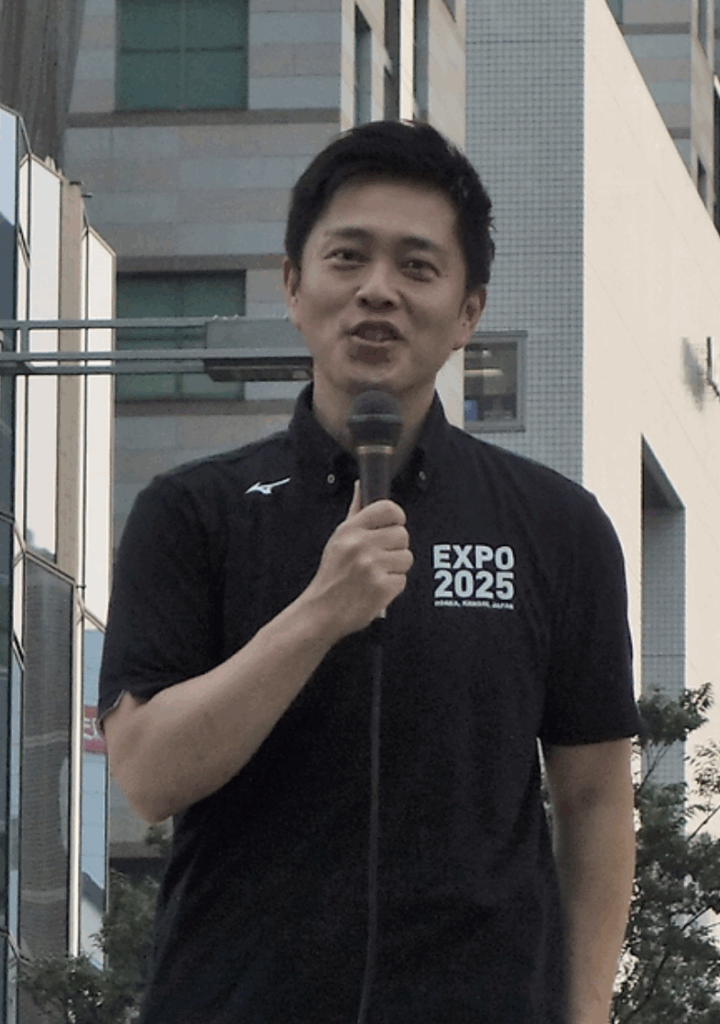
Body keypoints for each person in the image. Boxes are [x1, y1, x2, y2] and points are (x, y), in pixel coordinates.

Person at [99, 120, 640, 1024]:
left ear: (468, 313)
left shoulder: (557, 526)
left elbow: (594, 799)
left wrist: (585, 1011)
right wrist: (320, 611)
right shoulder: (194, 512)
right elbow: (149, 775)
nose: (377, 290)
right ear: (293, 285)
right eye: (347, 257)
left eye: (418, 267)